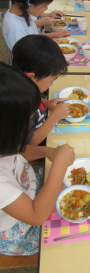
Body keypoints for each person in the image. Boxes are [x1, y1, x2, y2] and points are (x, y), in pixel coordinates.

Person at [0, 63, 75, 255]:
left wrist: (48, 152)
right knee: (72, 239)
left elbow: (21, 151)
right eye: (29, 118)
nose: (32, 122)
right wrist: (58, 165)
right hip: (17, 228)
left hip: (29, 191)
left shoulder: (4, 143)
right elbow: (36, 216)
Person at [12, 35, 70, 146]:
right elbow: (30, 144)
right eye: (51, 80)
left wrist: (46, 103)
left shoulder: (23, 86)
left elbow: (36, 94)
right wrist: (55, 116)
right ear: (31, 77)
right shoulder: (20, 106)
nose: (52, 84)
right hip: (41, 144)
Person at [2, 0, 70, 52]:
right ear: (29, 4)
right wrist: (48, 46)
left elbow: (32, 36)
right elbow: (28, 56)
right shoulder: (17, 30)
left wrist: (52, 36)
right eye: (44, 5)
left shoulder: (23, 12)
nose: (46, 9)